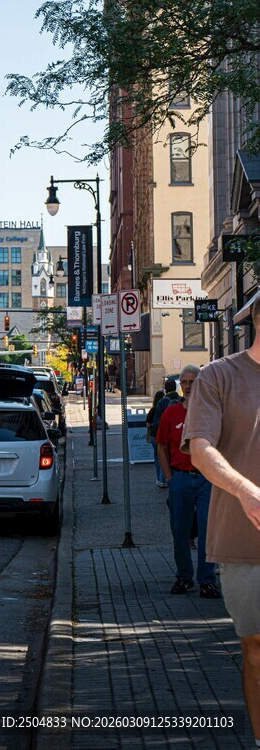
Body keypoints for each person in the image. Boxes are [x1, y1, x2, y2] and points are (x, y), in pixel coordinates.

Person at [183, 294, 260, 747]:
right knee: (256, 649)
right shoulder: (220, 376)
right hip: (243, 540)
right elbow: (200, 449)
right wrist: (246, 489)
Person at [156, 364, 220, 598]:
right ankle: (184, 577)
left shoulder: (211, 411)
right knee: (180, 532)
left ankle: (207, 580)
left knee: (207, 531)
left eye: (193, 382)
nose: (189, 386)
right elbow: (161, 446)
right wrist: (170, 478)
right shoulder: (171, 414)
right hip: (180, 479)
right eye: (185, 383)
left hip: (206, 480)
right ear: (180, 386)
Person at [147, 389, 167, 488]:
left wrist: (152, 426)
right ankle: (162, 479)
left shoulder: (152, 410)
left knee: (156, 457)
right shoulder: (164, 408)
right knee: (164, 456)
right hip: (161, 435)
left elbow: (147, 424)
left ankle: (159, 478)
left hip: (153, 436)